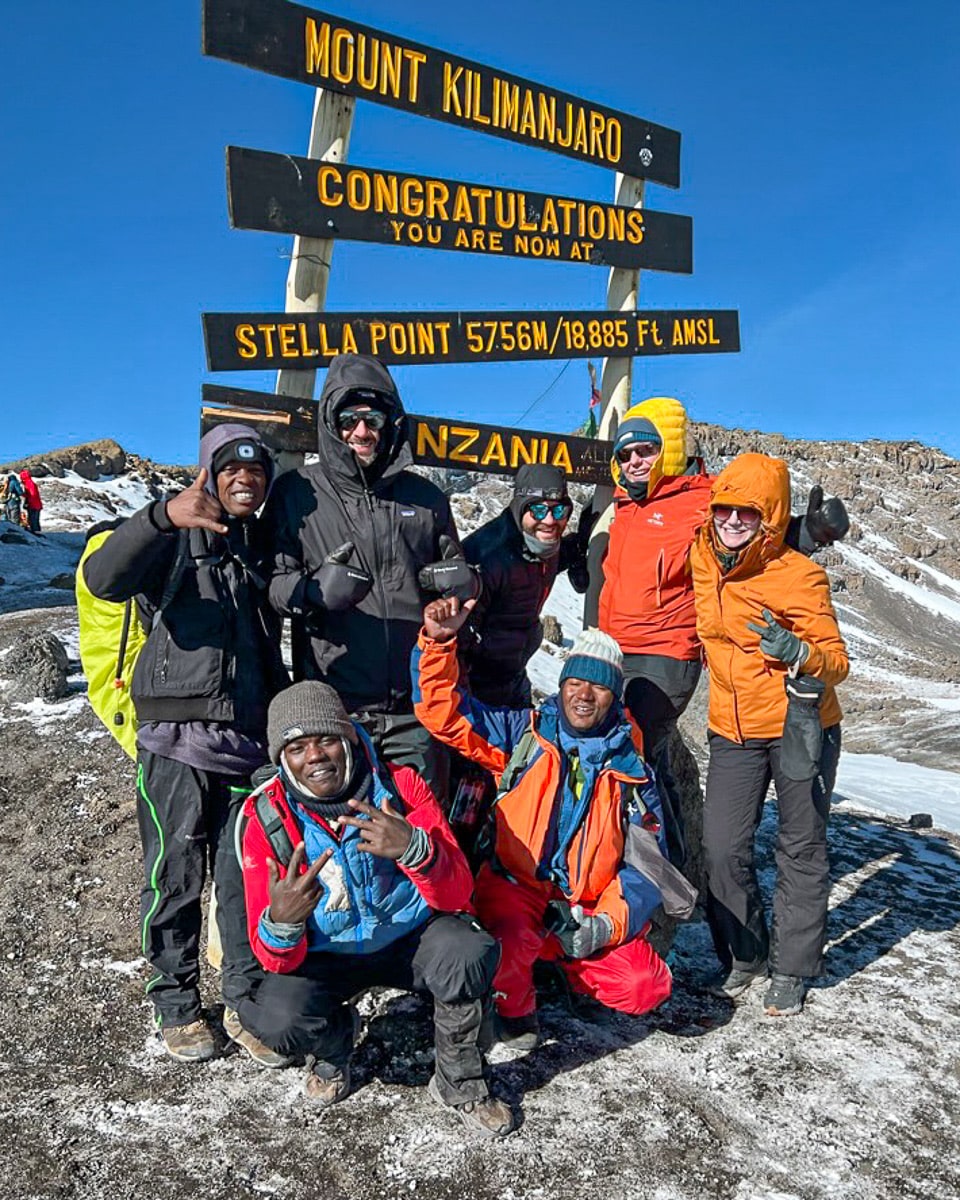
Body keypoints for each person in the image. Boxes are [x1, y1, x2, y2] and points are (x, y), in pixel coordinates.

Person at [82, 425, 290, 1063]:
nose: (244, 480)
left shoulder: (262, 549)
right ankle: (175, 1003)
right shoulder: (170, 535)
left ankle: (245, 1000)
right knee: (173, 878)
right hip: (175, 738)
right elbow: (103, 577)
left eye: (256, 472)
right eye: (230, 469)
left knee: (241, 883)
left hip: (247, 747)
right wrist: (161, 517)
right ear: (210, 474)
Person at [236, 681, 515, 1136]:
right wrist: (283, 921)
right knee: (274, 1018)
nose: (316, 756)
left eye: (326, 739)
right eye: (297, 746)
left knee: (468, 949)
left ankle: (459, 1080)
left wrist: (414, 849)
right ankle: (334, 1048)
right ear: (281, 759)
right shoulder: (263, 818)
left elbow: (457, 892)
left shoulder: (401, 787)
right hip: (327, 955)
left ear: (347, 739)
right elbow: (270, 956)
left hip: (409, 938)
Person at [413, 612, 679, 1049]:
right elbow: (443, 712)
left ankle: (565, 967)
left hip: (587, 905)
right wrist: (438, 645)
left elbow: (649, 865)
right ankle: (515, 1008)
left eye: (598, 686)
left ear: (614, 695)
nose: (584, 695)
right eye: (575, 683)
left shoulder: (633, 770)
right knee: (503, 945)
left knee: (644, 985)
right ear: (562, 685)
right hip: (515, 888)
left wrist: (606, 925)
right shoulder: (523, 735)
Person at [265, 354, 469, 802]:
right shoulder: (297, 492)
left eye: (372, 418)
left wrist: (460, 587)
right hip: (337, 710)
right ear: (331, 421)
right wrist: (313, 591)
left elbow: (458, 580)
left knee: (421, 831)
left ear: (390, 422)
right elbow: (272, 585)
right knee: (349, 836)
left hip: (418, 706)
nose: (361, 431)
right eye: (349, 418)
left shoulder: (426, 498)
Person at [689, 452, 849, 1016]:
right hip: (730, 728)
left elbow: (836, 662)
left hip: (800, 726)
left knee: (800, 847)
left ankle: (793, 967)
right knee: (721, 848)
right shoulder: (701, 556)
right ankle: (746, 954)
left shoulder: (799, 573)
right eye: (725, 509)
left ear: (772, 517)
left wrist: (799, 652)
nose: (733, 520)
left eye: (749, 512)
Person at [460, 464, 573, 708]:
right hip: (476, 691)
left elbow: (553, 558)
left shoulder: (541, 545)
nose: (550, 520)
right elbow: (457, 643)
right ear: (520, 506)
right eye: (539, 510)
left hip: (514, 677)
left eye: (559, 510)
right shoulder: (486, 556)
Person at [19, 468, 42, 534]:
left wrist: (26, 497)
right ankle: (36, 530)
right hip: (36, 504)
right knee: (34, 518)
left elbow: (32, 494)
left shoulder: (29, 483)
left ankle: (35, 531)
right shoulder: (29, 482)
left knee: (33, 518)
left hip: (33, 504)